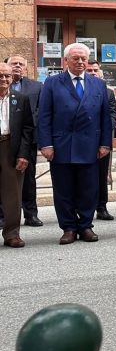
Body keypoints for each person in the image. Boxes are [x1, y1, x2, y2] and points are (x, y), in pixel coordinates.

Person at [37, 43, 112, 244]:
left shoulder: (98, 84)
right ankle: (69, 227)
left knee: (89, 189)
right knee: (63, 190)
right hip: (62, 146)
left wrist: (105, 143)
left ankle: (86, 226)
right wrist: (46, 144)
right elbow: (44, 116)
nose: (80, 62)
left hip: (90, 145)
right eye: (75, 58)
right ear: (66, 61)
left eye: (83, 59)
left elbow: (105, 117)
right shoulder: (52, 83)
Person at [5, 55, 43, 228]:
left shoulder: (36, 87)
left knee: (28, 179)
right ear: (6, 66)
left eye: (21, 64)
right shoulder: (3, 84)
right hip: (4, 140)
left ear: (26, 69)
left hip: (27, 140)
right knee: (4, 179)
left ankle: (30, 213)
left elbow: (40, 112)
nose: (17, 66)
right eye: (14, 63)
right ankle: (4, 216)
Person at [0, 62, 34, 248]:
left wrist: (24, 154)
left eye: (7, 76)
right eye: (0, 76)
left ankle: (12, 234)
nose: (4, 79)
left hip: (10, 149)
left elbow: (28, 129)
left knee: (13, 195)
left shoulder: (20, 98)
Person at [87, 60, 116, 221]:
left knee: (101, 175)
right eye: (89, 70)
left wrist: (105, 128)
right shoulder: (78, 90)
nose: (93, 72)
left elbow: (113, 114)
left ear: (100, 72)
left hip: (102, 142)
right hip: (83, 141)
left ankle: (102, 207)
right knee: (84, 177)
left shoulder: (109, 92)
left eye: (95, 70)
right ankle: (84, 208)